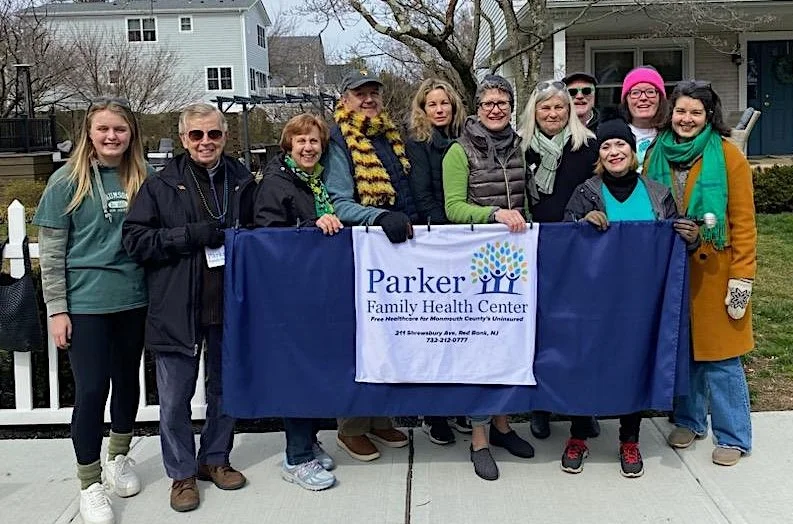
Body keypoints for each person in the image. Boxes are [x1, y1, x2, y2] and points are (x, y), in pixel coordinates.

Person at [122, 103, 255, 512]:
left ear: (225, 136)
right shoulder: (161, 185)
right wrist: (187, 236)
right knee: (175, 397)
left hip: (228, 302)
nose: (205, 142)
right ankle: (181, 474)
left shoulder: (243, 180)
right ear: (183, 139)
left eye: (213, 134)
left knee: (224, 388)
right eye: (196, 135)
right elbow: (135, 241)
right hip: (177, 305)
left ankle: (214, 458)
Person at [33, 96, 149, 524]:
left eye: (119, 129)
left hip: (134, 298)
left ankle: (119, 457)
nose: (111, 136)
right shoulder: (66, 181)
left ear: (130, 133)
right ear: (89, 133)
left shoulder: (143, 176)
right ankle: (89, 482)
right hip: (86, 303)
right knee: (91, 390)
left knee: (127, 382)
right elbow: (51, 253)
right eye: (103, 129)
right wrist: (57, 309)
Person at [563, 117, 701, 477]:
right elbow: (566, 242)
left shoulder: (657, 193)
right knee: (587, 360)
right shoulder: (586, 192)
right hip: (594, 299)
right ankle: (579, 435)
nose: (614, 152)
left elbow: (677, 242)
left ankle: (629, 439)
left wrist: (692, 237)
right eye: (606, 146)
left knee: (633, 363)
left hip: (641, 298)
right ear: (600, 155)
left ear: (631, 151)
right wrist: (581, 225)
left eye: (620, 145)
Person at [643, 81, 757, 467]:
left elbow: (743, 222)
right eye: (680, 111)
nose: (686, 119)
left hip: (716, 271)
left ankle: (734, 435)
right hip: (672, 269)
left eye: (695, 112)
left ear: (709, 115)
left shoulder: (728, 155)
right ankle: (690, 420)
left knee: (722, 358)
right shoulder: (657, 152)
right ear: (670, 113)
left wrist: (742, 278)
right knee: (685, 351)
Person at [442, 74, 537, 481]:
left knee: (511, 346)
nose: (495, 109)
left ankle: (502, 426)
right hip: (475, 263)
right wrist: (493, 215)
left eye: (502, 102)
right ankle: (479, 439)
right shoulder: (458, 151)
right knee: (480, 352)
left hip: (515, 261)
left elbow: (528, 201)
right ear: (477, 109)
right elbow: (453, 208)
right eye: (488, 103)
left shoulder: (520, 146)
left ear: (511, 108)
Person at [323, 70, 415, 461]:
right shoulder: (338, 138)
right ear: (344, 99)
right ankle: (352, 426)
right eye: (360, 94)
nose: (368, 99)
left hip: (395, 250)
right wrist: (377, 217)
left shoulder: (390, 136)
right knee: (362, 339)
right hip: (361, 250)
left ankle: (380, 418)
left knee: (390, 335)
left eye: (374, 93)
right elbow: (338, 201)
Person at [253, 113, 342, 491]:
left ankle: (308, 440)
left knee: (313, 370)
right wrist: (310, 228)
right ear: (288, 146)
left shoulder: (317, 183)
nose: (308, 148)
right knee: (296, 371)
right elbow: (269, 237)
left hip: (315, 292)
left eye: (314, 142)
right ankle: (296, 457)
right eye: (301, 142)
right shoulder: (277, 184)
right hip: (288, 295)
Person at [518, 80, 601, 441]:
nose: (553, 114)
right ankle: (541, 406)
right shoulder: (519, 149)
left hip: (578, 248)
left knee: (578, 330)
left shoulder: (588, 147)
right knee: (539, 331)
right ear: (533, 112)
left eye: (559, 108)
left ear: (570, 111)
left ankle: (582, 407)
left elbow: (602, 193)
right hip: (532, 249)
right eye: (545, 108)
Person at [404, 78, 472, 445]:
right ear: (423, 109)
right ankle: (435, 413)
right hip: (437, 240)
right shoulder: (418, 144)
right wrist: (450, 230)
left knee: (464, 330)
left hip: (465, 241)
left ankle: (461, 405)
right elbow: (423, 195)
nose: (440, 109)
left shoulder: (465, 139)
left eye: (444, 103)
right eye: (432, 104)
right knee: (434, 330)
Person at [619, 66, 669, 169]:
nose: (643, 98)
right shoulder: (614, 135)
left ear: (660, 98)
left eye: (650, 92)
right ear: (626, 100)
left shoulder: (671, 135)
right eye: (635, 93)